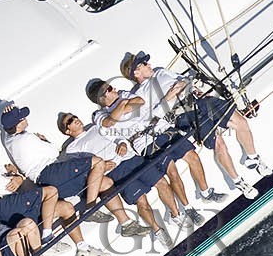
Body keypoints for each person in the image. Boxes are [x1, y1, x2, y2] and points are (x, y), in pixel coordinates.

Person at [122, 50, 266, 197]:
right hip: (184, 114)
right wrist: (171, 95)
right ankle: (239, 182)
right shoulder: (140, 95)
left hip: (198, 100)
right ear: (136, 72)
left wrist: (182, 85)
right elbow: (156, 115)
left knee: (240, 121)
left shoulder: (160, 71)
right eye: (145, 64)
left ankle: (253, 157)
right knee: (219, 144)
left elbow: (183, 80)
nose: (150, 64)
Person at [0, 104, 148, 236]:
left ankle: (126, 224)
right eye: (21, 118)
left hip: (50, 177)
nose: (25, 118)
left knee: (105, 182)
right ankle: (91, 209)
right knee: (98, 162)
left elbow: (8, 130)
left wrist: (8, 112)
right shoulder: (25, 139)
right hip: (50, 172)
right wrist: (44, 142)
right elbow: (53, 153)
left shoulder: (9, 138)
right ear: (17, 125)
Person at [0, 135, 106, 256]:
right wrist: (16, 177)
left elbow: (11, 177)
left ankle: (82, 249)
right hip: (2, 204)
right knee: (51, 191)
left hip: (13, 202)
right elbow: (10, 185)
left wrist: (14, 176)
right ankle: (47, 236)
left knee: (66, 207)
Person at [86, 80, 205, 230]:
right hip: (143, 140)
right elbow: (109, 122)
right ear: (102, 98)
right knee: (172, 170)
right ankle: (187, 209)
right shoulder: (98, 114)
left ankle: (205, 192)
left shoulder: (122, 94)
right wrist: (124, 105)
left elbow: (139, 102)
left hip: (160, 127)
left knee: (192, 155)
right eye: (110, 88)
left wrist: (120, 109)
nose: (115, 88)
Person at [56, 111, 179, 235]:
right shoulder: (72, 148)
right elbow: (81, 167)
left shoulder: (95, 127)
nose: (75, 119)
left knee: (162, 182)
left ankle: (176, 215)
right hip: (115, 172)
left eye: (74, 116)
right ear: (67, 131)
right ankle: (158, 231)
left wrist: (123, 144)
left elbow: (117, 136)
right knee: (141, 200)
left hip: (131, 159)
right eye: (70, 121)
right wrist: (102, 166)